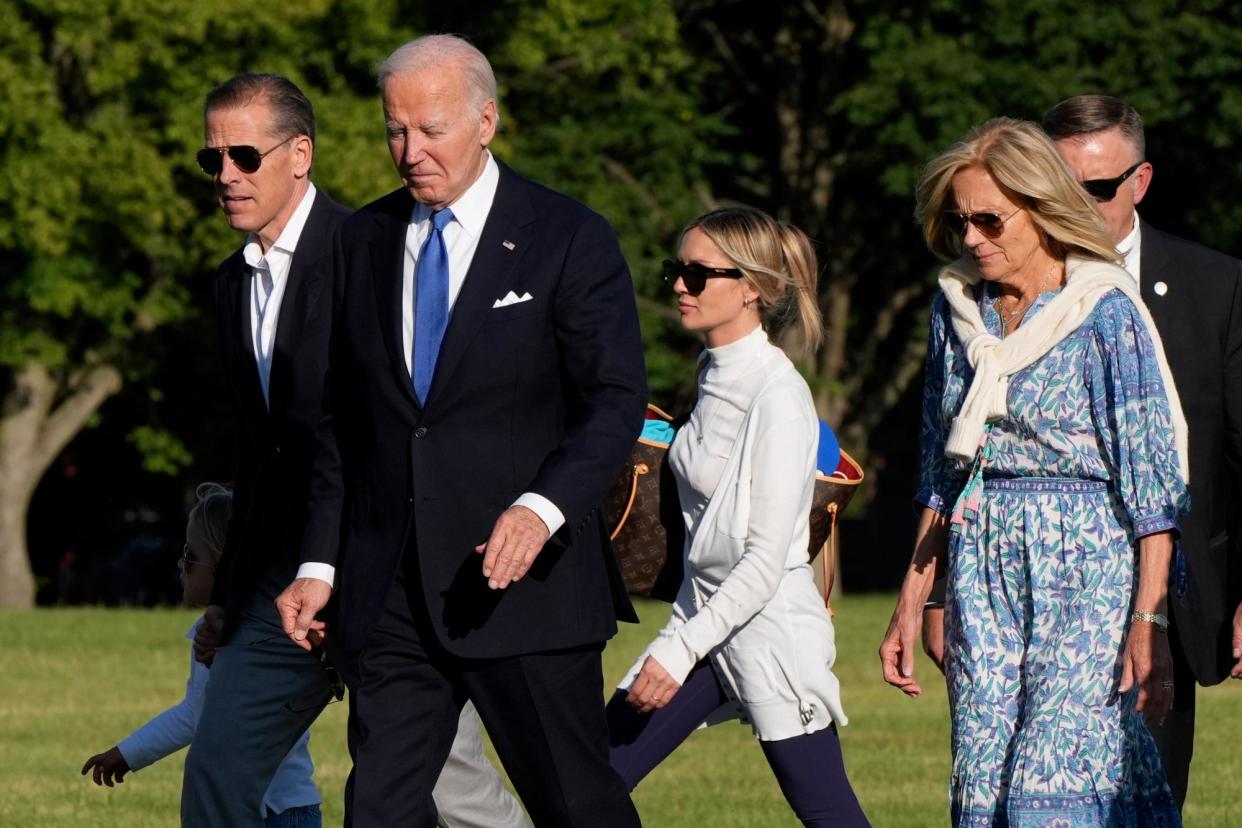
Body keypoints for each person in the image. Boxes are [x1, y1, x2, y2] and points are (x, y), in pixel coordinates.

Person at [274, 36, 647, 827]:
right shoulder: (358, 243)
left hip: (525, 588)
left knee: (576, 807)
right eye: (394, 131)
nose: (409, 152)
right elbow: (342, 425)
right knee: (378, 811)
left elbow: (613, 401)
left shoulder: (568, 236)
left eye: (430, 130)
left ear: (487, 121)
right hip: (392, 599)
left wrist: (541, 508)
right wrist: (318, 562)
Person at [185, 72, 527, 828]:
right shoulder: (230, 283)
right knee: (216, 778)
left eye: (244, 155)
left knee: (460, 800)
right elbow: (261, 455)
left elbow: (406, 431)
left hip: (391, 581)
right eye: (213, 161)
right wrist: (227, 595)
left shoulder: (373, 246)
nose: (227, 177)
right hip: (281, 593)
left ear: (299, 153)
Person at [880, 117, 1187, 826]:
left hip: (1089, 569)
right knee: (985, 785)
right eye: (960, 222)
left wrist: (1150, 619)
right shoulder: (956, 311)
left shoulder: (1105, 311)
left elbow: (1153, 492)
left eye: (990, 220)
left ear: (1043, 208)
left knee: (1049, 790)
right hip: (983, 568)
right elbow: (939, 468)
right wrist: (915, 596)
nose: (972, 239)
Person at [606, 207, 869, 827]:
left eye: (698, 275)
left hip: (768, 634)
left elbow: (765, 561)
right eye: (677, 269)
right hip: (706, 621)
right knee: (592, 780)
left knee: (830, 814)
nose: (678, 285)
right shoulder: (713, 371)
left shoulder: (778, 396)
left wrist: (677, 651)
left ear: (752, 288)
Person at [1042, 95, 1242, 810]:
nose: (1075, 206)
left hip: (1166, 600)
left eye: (1096, 190)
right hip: (1038, 594)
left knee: (1146, 804)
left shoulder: (1215, 287)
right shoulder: (1006, 287)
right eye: (1058, 186)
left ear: (1142, 181)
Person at [82, 484, 322, 825]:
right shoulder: (207, 632)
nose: (182, 564)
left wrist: (128, 753)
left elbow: (197, 717)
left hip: (281, 811)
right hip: (263, 805)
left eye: (191, 555)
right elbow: (195, 713)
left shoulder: (271, 632)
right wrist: (128, 753)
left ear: (227, 566)